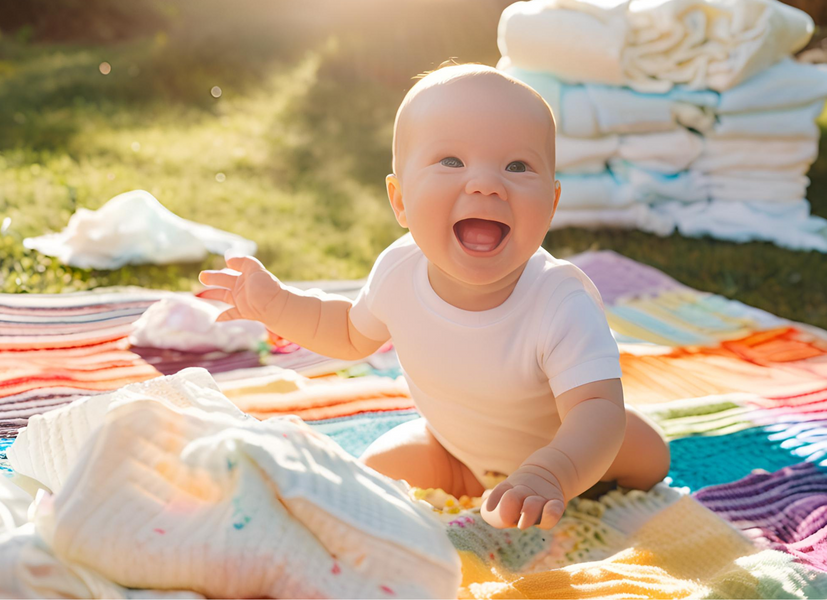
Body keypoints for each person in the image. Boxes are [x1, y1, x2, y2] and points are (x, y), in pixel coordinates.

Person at [198, 64, 670, 531]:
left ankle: (564, 477)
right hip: (457, 453)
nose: (486, 183)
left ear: (550, 203)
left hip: (571, 453)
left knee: (647, 458)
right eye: (451, 161)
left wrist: (554, 472)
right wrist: (277, 304)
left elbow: (595, 410)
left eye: (517, 166)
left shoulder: (560, 301)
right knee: (371, 474)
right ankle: (471, 480)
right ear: (400, 200)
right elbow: (345, 331)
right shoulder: (398, 271)